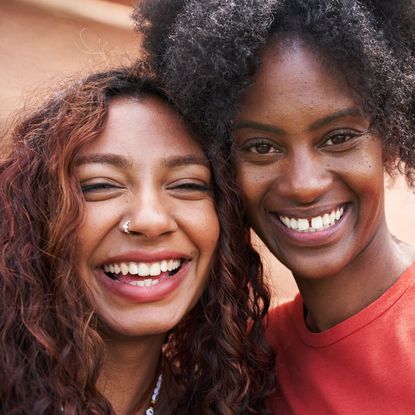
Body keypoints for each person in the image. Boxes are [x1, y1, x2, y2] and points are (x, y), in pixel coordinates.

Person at [134, 0, 415, 413]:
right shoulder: (247, 364)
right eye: (261, 147)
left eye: (338, 137)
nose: (303, 185)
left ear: (391, 138)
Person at [0, 65, 275, 414]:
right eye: (100, 185)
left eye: (187, 184)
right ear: (35, 214)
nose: (150, 220)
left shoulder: (231, 402)